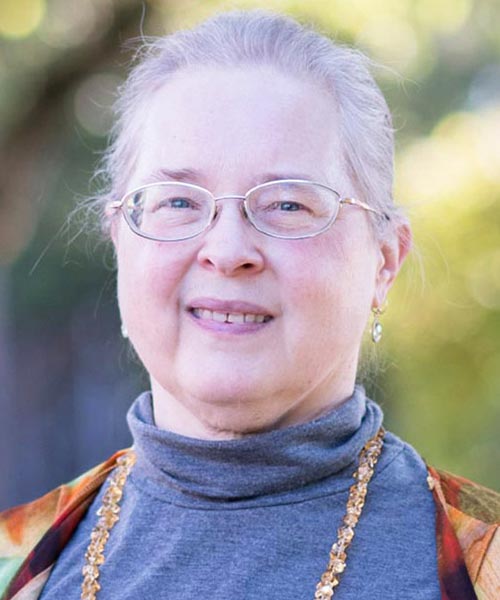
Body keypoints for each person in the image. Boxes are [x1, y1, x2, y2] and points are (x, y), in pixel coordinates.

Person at [0, 9, 498, 600]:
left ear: (384, 262)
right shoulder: (17, 564)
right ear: (121, 245)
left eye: (287, 204)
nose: (228, 251)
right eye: (178, 202)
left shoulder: (484, 565)